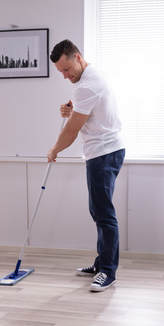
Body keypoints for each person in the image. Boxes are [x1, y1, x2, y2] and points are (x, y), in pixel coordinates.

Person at [47, 39, 125, 292]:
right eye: (60, 71)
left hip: (103, 153)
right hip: (105, 151)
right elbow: (83, 110)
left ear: (78, 57)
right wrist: (70, 109)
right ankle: (102, 262)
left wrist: (54, 150)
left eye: (67, 69)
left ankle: (108, 272)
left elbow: (71, 131)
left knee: (103, 214)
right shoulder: (88, 78)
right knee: (98, 211)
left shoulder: (87, 85)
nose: (65, 75)